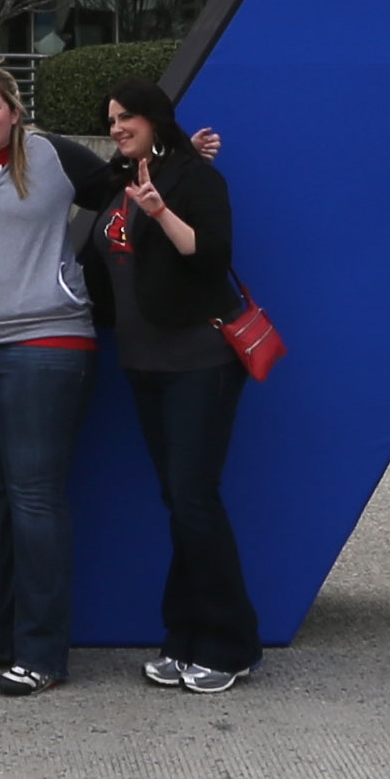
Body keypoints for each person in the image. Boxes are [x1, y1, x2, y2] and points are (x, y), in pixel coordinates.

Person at [0, 69, 120, 696]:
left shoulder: (52, 155)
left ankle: (43, 652)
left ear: (14, 111)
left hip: (46, 343)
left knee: (34, 498)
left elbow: (120, 189)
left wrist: (72, 274)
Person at [94, 80, 259, 693]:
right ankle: (185, 637)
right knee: (180, 504)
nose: (115, 127)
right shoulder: (121, 181)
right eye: (110, 119)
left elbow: (211, 257)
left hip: (199, 360)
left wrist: (161, 211)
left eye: (126, 117)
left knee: (194, 500)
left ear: (155, 119)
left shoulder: (195, 179)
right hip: (145, 363)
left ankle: (230, 644)